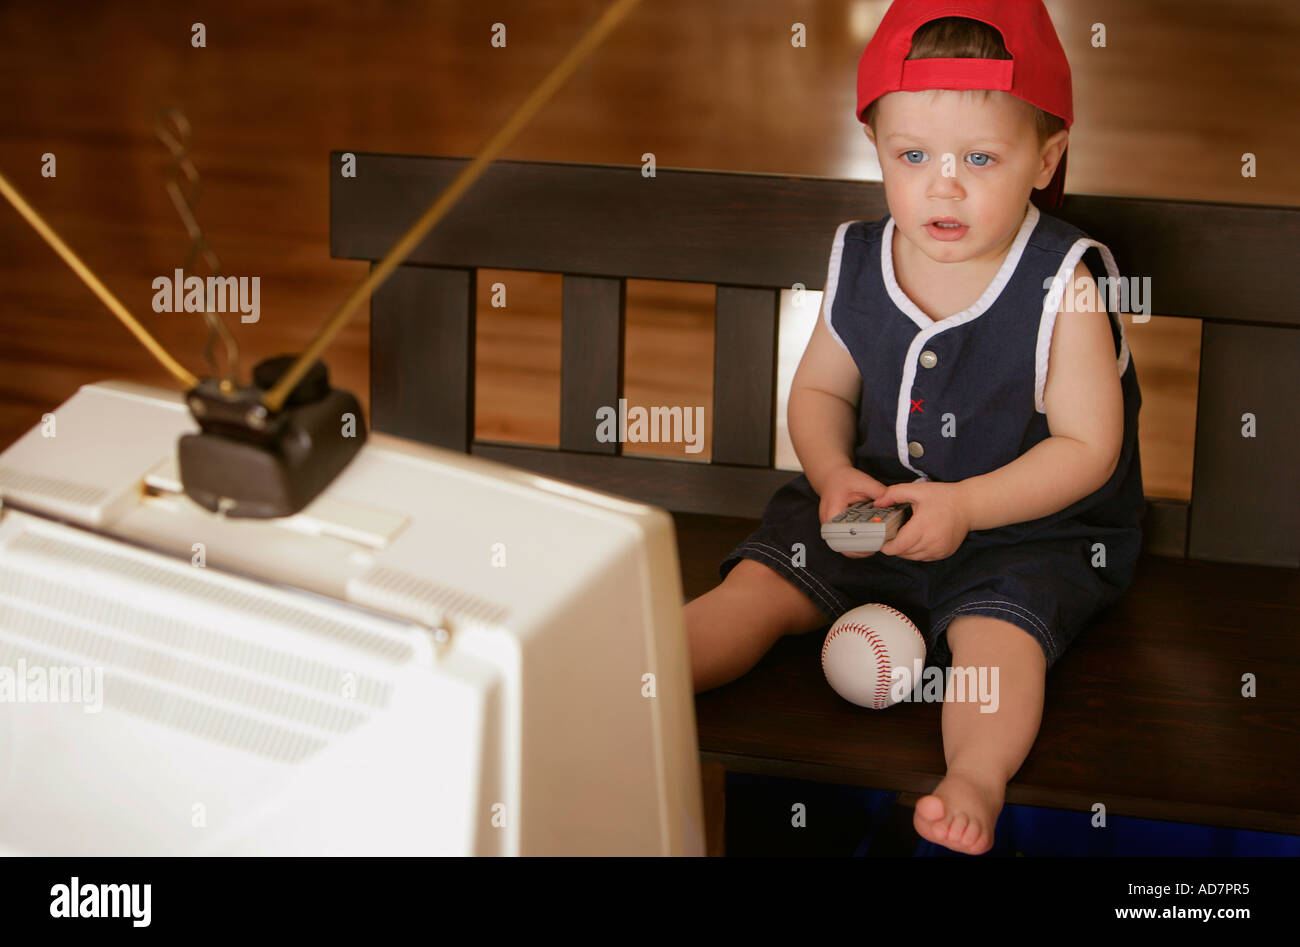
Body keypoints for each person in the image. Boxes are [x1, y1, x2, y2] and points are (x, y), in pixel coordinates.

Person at [684, 0, 1145, 855]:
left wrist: (968, 507)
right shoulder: (863, 255)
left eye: (980, 157)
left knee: (998, 640)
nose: (944, 183)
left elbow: (1090, 448)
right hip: (875, 503)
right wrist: (829, 474)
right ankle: (636, 676)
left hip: (1025, 528)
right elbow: (820, 393)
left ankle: (975, 771)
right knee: (757, 588)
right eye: (914, 155)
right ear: (877, 149)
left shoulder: (1067, 282)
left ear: (1045, 158)